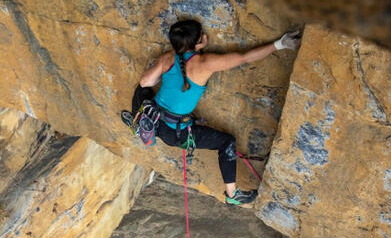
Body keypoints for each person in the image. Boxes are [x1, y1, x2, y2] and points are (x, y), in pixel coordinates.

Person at [122, 19, 301, 205]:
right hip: (178, 133)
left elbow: (145, 82)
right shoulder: (205, 63)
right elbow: (244, 57)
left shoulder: (168, 57)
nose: (206, 36)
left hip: (156, 120)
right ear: (197, 43)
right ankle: (232, 195)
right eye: (202, 35)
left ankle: (139, 122)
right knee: (227, 142)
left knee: (142, 91)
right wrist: (280, 44)